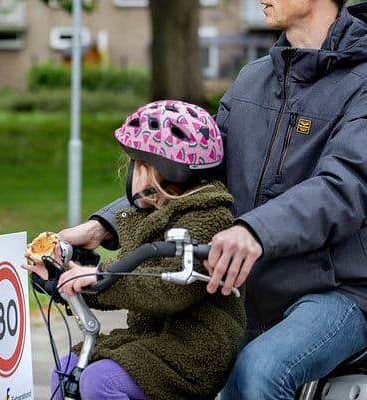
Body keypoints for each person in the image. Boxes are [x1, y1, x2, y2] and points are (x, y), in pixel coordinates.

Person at [61, 1, 367, 398]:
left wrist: (255, 230)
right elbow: (195, 171)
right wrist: (105, 225)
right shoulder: (253, 79)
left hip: (338, 291)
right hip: (247, 290)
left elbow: (348, 186)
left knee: (260, 369)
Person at [26, 100, 244, 400]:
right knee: (65, 371)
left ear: (167, 171)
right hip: (149, 339)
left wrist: (98, 277)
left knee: (101, 383)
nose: (129, 173)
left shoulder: (210, 218)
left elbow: (168, 290)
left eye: (139, 165)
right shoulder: (148, 216)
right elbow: (122, 279)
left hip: (193, 350)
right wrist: (64, 281)